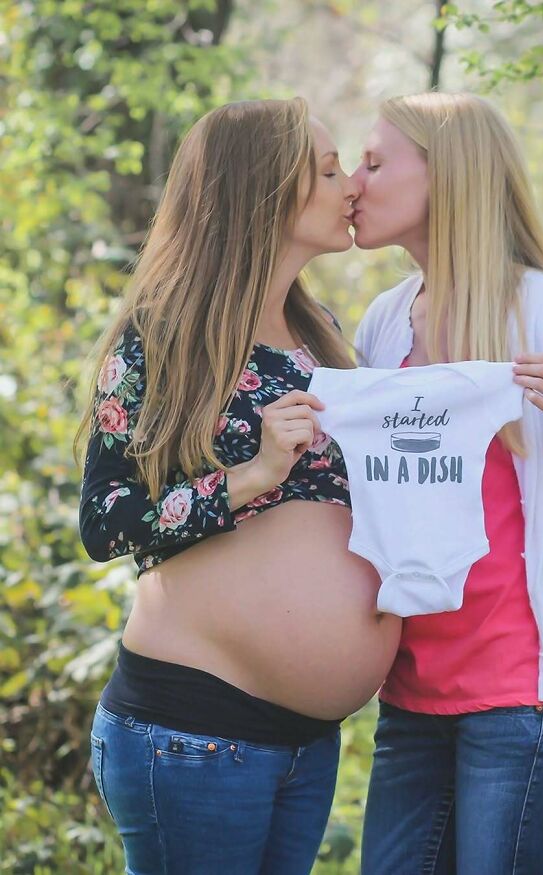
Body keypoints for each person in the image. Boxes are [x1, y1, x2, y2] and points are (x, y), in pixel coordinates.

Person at [76, 98, 401, 875]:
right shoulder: (163, 333)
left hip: (306, 744)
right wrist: (248, 476)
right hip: (192, 730)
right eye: (327, 171)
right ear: (264, 193)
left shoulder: (321, 333)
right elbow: (104, 520)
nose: (349, 182)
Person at [351, 92, 543, 875]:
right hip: (410, 693)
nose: (355, 180)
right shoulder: (383, 322)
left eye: (376, 161)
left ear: (444, 176)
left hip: (523, 703)